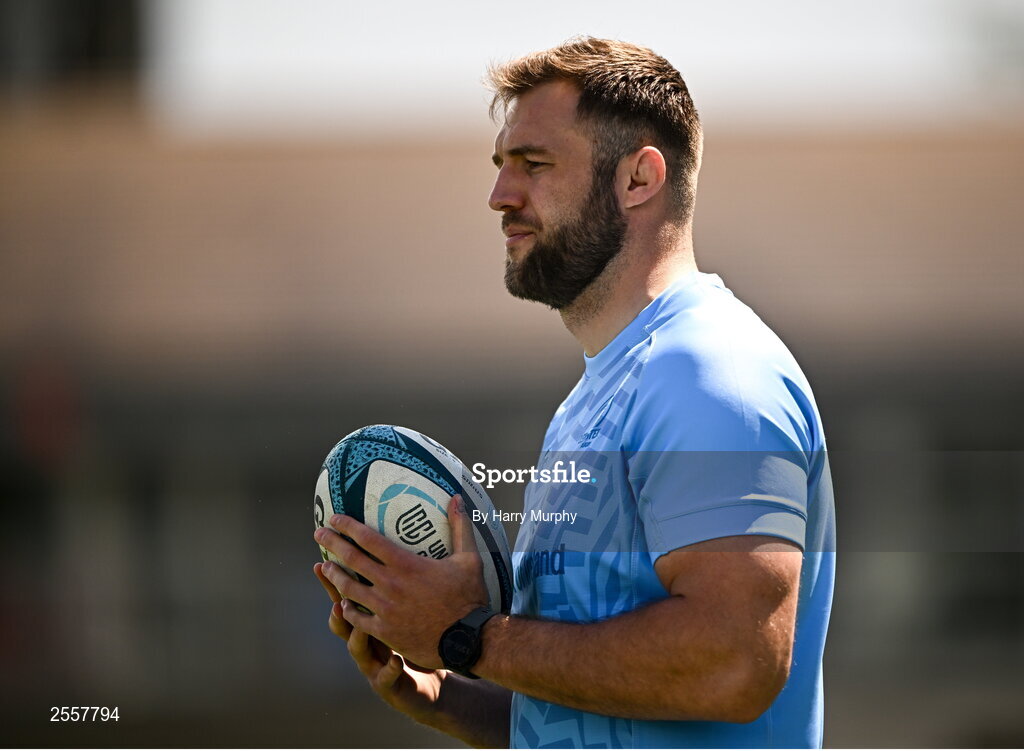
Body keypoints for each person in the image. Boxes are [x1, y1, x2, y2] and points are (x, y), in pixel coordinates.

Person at [313, 37, 835, 749]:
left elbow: (735, 662)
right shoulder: (591, 401)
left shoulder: (712, 374)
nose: (500, 196)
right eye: (501, 166)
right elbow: (590, 715)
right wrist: (441, 691)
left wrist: (468, 635)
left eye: (534, 164)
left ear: (638, 178)